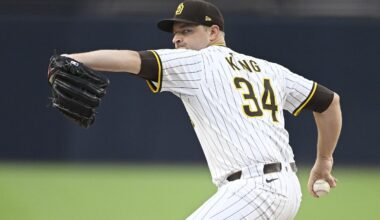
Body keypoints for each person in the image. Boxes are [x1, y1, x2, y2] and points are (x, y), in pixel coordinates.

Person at [61, 0, 342, 219]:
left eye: (187, 30)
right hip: (286, 190)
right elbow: (329, 102)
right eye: (175, 34)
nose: (176, 40)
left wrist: (72, 59)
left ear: (213, 32)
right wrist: (324, 160)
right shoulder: (269, 69)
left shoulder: (198, 63)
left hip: (253, 190)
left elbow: (130, 60)